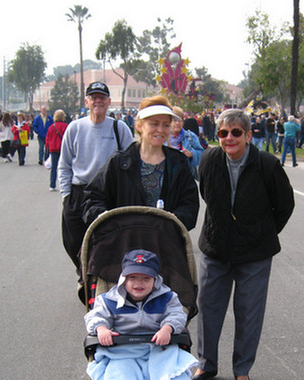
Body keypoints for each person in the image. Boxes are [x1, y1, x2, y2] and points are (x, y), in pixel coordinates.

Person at [191, 108, 295, 380]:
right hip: (215, 249)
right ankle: (206, 363)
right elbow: (208, 197)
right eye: (223, 133)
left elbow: (284, 205)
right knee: (209, 308)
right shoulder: (210, 159)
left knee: (249, 312)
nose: (229, 138)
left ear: (249, 136)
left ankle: (242, 369)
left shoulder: (267, 165)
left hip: (254, 254)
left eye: (236, 132)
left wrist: (261, 234)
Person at [85, 249, 197, 380]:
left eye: (146, 278)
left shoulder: (167, 298)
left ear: (156, 279)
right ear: (123, 279)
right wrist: (101, 328)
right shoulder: (109, 300)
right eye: (133, 277)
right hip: (122, 353)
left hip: (157, 351)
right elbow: (95, 316)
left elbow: (178, 315)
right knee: (121, 379)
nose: (139, 283)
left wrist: (168, 328)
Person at [82, 96, 198, 230]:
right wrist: (107, 219)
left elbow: (190, 204)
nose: (160, 130)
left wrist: (176, 219)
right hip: (125, 244)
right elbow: (92, 199)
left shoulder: (178, 163)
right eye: (154, 124)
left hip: (165, 244)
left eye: (166, 125)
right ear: (139, 126)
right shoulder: (119, 163)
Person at [59, 81, 134, 286]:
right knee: (73, 240)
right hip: (78, 192)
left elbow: (132, 162)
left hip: (107, 193)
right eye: (93, 97)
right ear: (86, 101)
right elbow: (64, 165)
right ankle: (84, 272)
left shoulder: (120, 129)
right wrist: (66, 196)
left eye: (102, 97)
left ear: (109, 102)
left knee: (106, 241)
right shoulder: (75, 128)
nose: (98, 101)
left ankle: (95, 281)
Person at [168, 106, 204, 179]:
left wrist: (192, 154)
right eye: (174, 120)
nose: (177, 123)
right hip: (167, 177)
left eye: (180, 120)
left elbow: (202, 154)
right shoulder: (163, 137)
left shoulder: (190, 136)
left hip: (186, 178)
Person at [45, 109, 68, 191]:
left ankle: (52, 185)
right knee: (64, 168)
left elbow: (47, 138)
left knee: (54, 168)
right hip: (63, 149)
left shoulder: (51, 127)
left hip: (53, 149)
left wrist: (48, 147)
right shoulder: (65, 126)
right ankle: (64, 185)